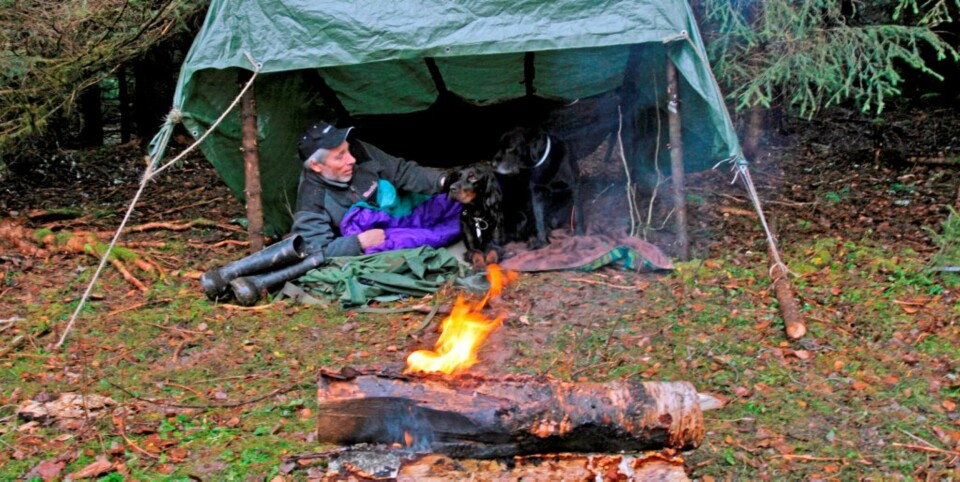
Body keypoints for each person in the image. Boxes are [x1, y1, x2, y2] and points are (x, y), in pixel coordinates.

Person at [291, 121, 458, 257]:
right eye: (340, 156)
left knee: (458, 201)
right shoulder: (311, 198)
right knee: (426, 237)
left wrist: (443, 181)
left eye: (347, 149)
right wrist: (357, 243)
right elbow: (314, 249)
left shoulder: (358, 150)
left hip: (402, 210)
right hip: (382, 234)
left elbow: (401, 171)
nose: (351, 159)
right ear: (316, 166)